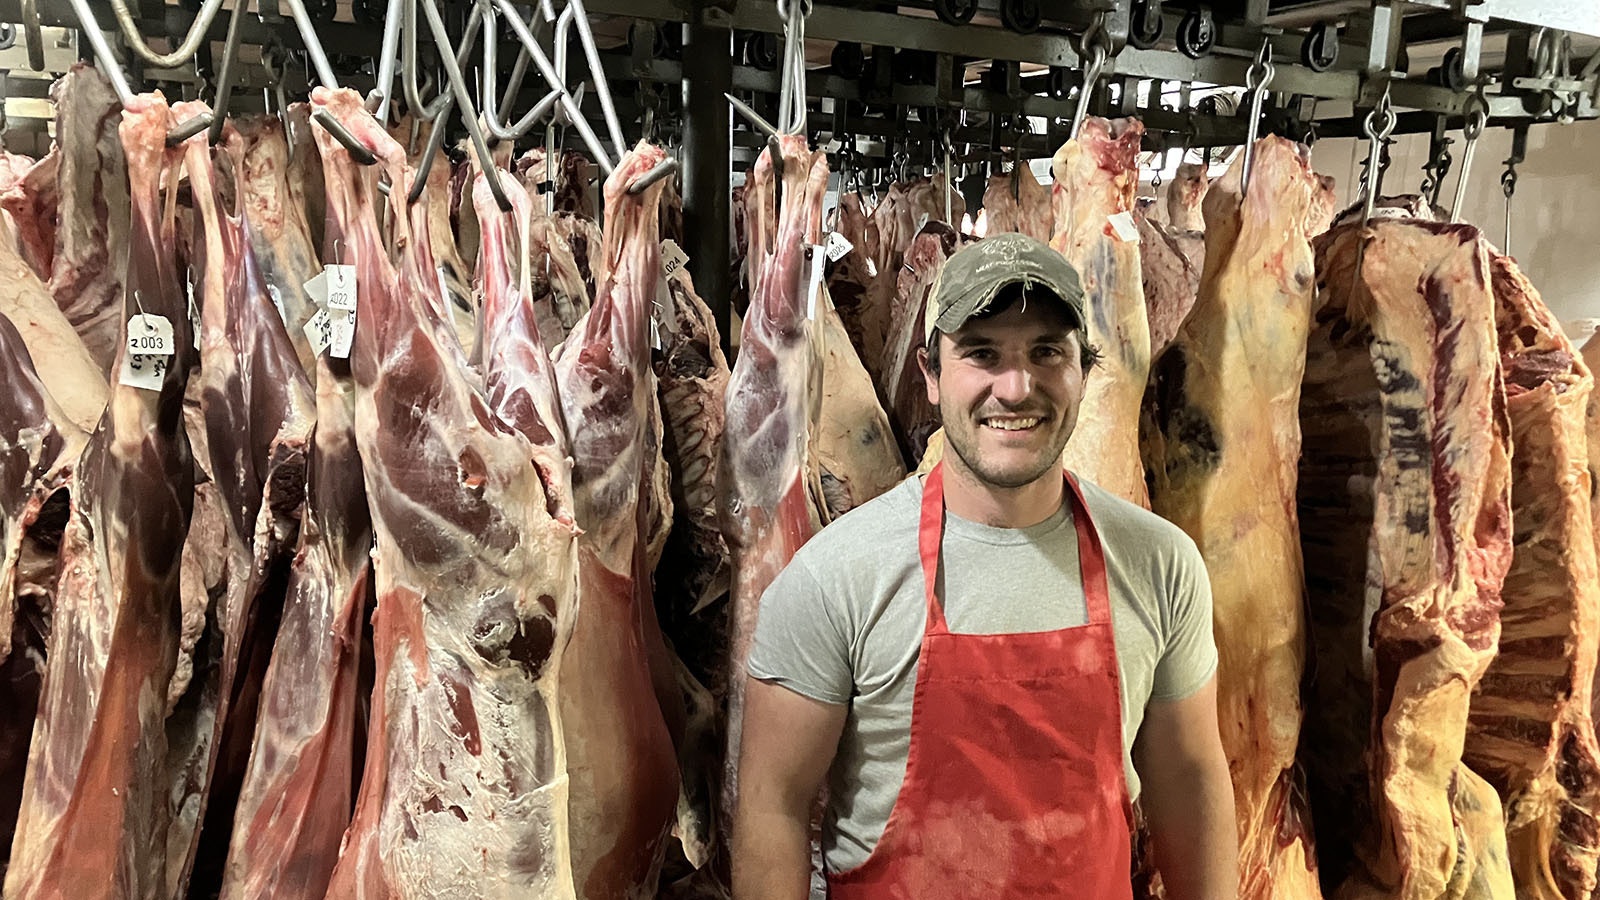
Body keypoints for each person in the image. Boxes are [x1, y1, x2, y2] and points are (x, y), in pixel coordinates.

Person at [731, 232, 1238, 899]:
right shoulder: (835, 576)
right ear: (932, 376)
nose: (1016, 385)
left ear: (1083, 371)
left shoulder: (1160, 564)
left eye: (1046, 353)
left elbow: (1189, 777)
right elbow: (773, 806)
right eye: (981, 353)